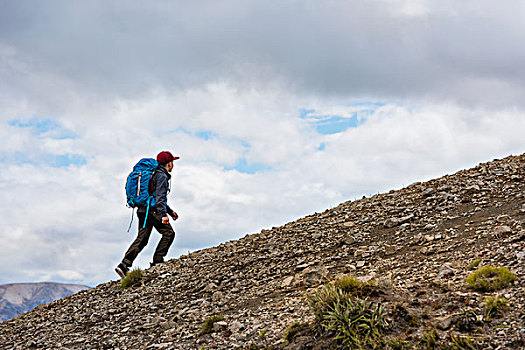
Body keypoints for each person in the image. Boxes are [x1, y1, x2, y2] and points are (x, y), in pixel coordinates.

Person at [115, 151, 179, 278]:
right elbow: (159, 197)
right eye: (172, 162)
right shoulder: (161, 176)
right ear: (169, 163)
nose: (173, 165)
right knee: (169, 233)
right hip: (153, 211)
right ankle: (158, 261)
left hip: (142, 210)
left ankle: (124, 264)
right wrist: (164, 215)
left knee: (142, 238)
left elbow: (154, 197)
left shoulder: (154, 174)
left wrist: (170, 211)